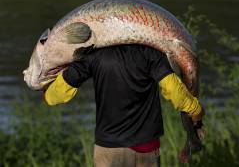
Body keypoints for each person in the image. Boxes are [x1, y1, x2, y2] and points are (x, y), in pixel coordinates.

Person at [43, 44, 204, 167]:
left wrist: (46, 91)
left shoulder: (94, 54)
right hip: (146, 148)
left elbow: (54, 96)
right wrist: (196, 110)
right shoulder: (150, 53)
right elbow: (175, 92)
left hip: (108, 150)